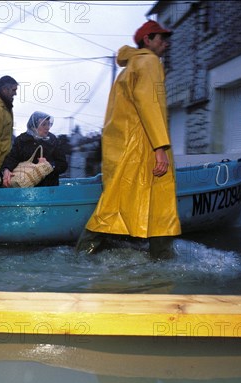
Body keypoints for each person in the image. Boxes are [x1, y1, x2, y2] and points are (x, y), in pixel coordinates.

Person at [76, 20, 181, 258]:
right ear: (148, 40)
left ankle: (85, 253)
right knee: (155, 202)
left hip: (126, 149)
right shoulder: (150, 62)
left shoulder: (128, 69)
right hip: (143, 146)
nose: (166, 43)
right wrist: (160, 147)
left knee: (118, 201)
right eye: (161, 38)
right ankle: (163, 260)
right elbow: (150, 105)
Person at [0, 111, 68, 187]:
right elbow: (12, 158)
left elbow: (63, 164)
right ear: (33, 126)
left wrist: (49, 165)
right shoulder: (22, 140)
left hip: (48, 188)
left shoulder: (53, 140)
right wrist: (6, 169)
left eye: (48, 124)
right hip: (25, 187)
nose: (47, 127)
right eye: (43, 124)